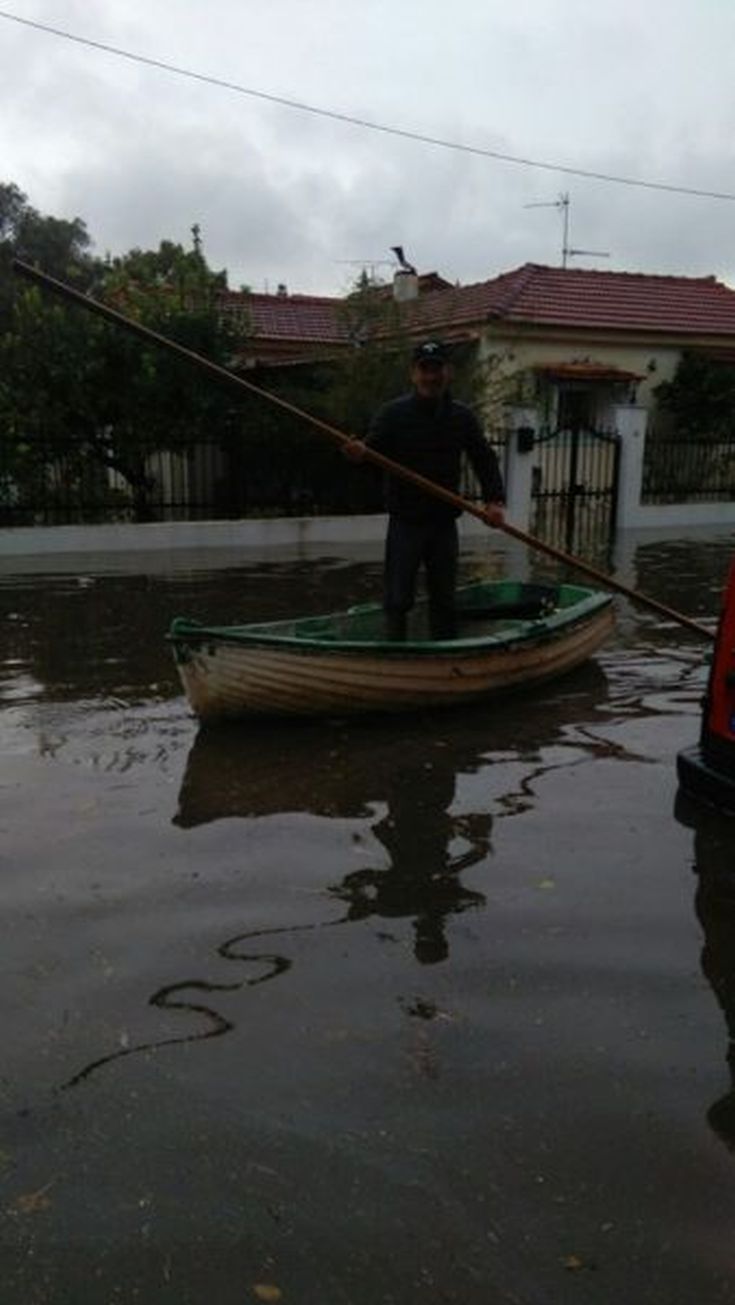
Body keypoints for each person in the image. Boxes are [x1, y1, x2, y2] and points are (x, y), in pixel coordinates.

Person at [356, 340, 506, 641]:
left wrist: (494, 501)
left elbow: (484, 458)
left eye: (436, 369)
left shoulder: (461, 417)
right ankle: (394, 653)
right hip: (406, 521)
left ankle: (444, 654)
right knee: (398, 598)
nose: (431, 377)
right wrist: (358, 452)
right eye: (424, 370)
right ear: (414, 374)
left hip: (443, 522)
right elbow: (370, 453)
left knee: (444, 599)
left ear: (448, 373)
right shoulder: (393, 414)